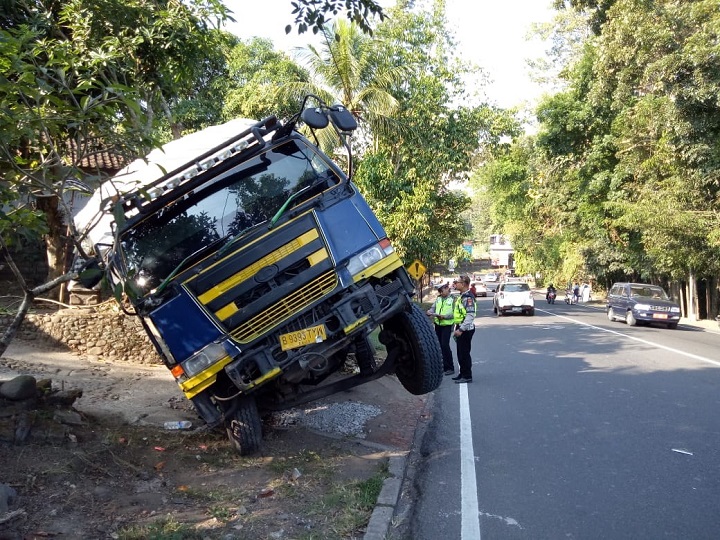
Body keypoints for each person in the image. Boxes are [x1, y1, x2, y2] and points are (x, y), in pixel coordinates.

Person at [426, 282, 456, 375]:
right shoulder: (438, 299)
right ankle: (443, 366)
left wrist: (444, 316)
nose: (441, 293)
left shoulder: (453, 299)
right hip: (438, 324)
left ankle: (450, 367)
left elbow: (454, 313)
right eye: (439, 291)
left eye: (441, 290)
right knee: (439, 346)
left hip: (447, 325)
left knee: (445, 345)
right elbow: (433, 308)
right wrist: (430, 312)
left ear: (447, 288)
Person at [451, 275, 476, 384]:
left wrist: (461, 329)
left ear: (464, 284)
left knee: (464, 353)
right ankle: (462, 373)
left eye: (458, 282)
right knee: (460, 353)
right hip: (460, 327)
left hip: (465, 329)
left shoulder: (468, 298)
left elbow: (470, 316)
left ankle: (467, 376)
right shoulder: (462, 296)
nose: (456, 284)